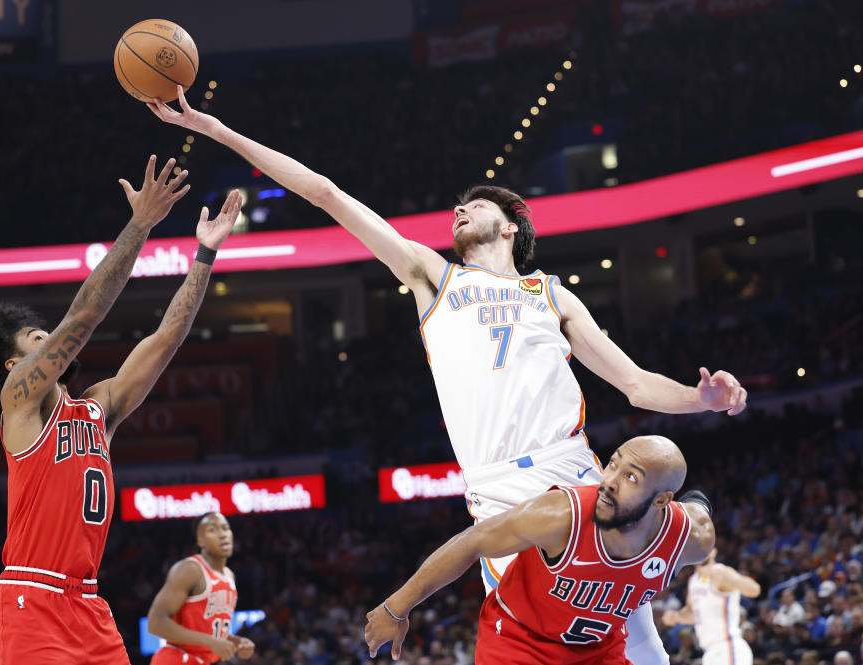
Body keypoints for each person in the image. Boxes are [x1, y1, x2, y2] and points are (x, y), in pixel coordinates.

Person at [149, 85, 747, 665]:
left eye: (478, 203)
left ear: (512, 225)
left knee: (635, 639)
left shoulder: (552, 295)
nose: (460, 208)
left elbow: (637, 384)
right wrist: (214, 129)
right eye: (460, 204)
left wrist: (701, 398)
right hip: (496, 488)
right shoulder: (434, 277)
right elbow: (327, 194)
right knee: (531, 637)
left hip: (573, 469)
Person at [0, 156, 244, 664]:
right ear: (15, 363)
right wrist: (140, 224)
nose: (49, 336)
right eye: (36, 336)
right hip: (30, 600)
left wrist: (204, 255)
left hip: (89, 605)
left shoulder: (97, 411)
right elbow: (84, 315)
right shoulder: (17, 402)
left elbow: (167, 338)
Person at [363, 436, 716, 665]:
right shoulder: (561, 514)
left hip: (597, 651)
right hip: (521, 643)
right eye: (613, 463)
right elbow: (472, 543)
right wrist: (396, 607)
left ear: (662, 500)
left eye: (632, 477)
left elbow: (699, 507)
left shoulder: (691, 538)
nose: (609, 480)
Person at [147, 512, 255, 664]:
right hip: (177, 659)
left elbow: (208, 631)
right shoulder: (190, 569)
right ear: (200, 540)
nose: (222, 534)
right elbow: (155, 623)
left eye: (225, 528)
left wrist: (236, 642)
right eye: (213, 530)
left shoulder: (229, 576)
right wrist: (211, 642)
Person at [662, 548, 761, 665]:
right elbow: (692, 615)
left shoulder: (721, 572)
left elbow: (754, 590)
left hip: (728, 648)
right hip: (709, 652)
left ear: (713, 552)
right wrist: (676, 616)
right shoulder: (694, 581)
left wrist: (731, 580)